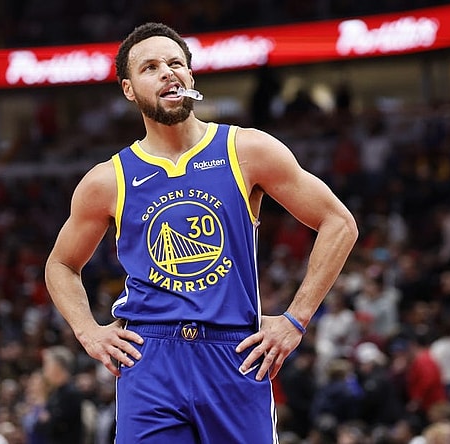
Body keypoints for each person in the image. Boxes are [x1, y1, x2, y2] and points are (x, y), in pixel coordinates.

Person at [44, 22, 358, 444]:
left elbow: (339, 223)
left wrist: (295, 320)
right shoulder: (107, 179)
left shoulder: (246, 149)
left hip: (234, 353)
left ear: (191, 77)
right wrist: (88, 331)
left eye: (175, 64)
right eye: (150, 67)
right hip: (149, 356)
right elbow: (61, 264)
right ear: (129, 90)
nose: (167, 72)